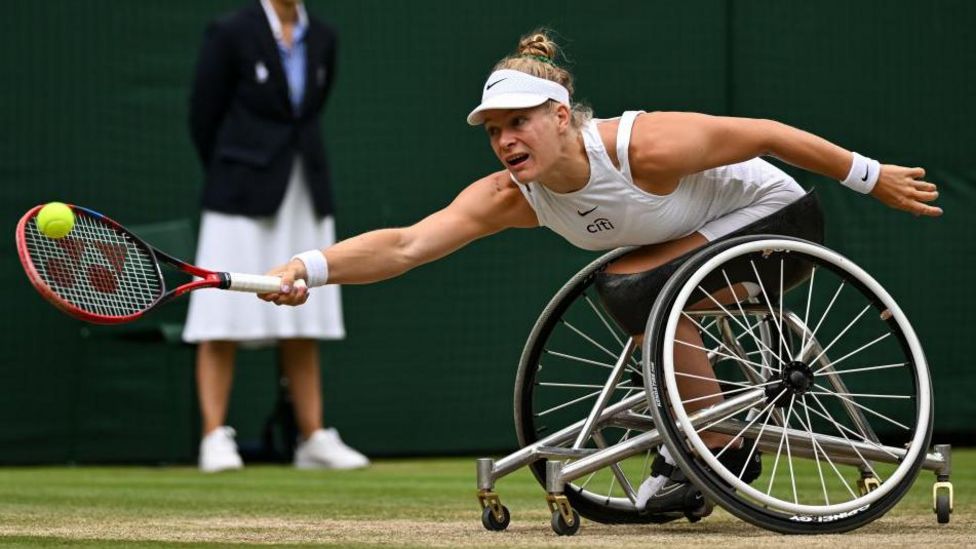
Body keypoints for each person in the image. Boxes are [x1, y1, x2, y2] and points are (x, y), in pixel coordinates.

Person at [259, 30, 940, 512]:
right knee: (636, 290)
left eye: (517, 123)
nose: (504, 141)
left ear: (561, 118)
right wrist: (307, 267)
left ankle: (712, 452)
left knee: (638, 287)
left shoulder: (641, 145)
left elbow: (763, 131)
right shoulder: (511, 195)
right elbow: (407, 245)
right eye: (493, 130)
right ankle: (708, 439)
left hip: (780, 224)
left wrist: (871, 175)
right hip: (695, 256)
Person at [183, 0, 369, 473]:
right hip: (238, 189)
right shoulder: (229, 31)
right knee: (218, 316)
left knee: (306, 306)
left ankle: (311, 438)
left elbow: (307, 113)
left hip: (305, 186)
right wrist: (240, 169)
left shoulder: (325, 37)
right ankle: (213, 438)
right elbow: (203, 115)